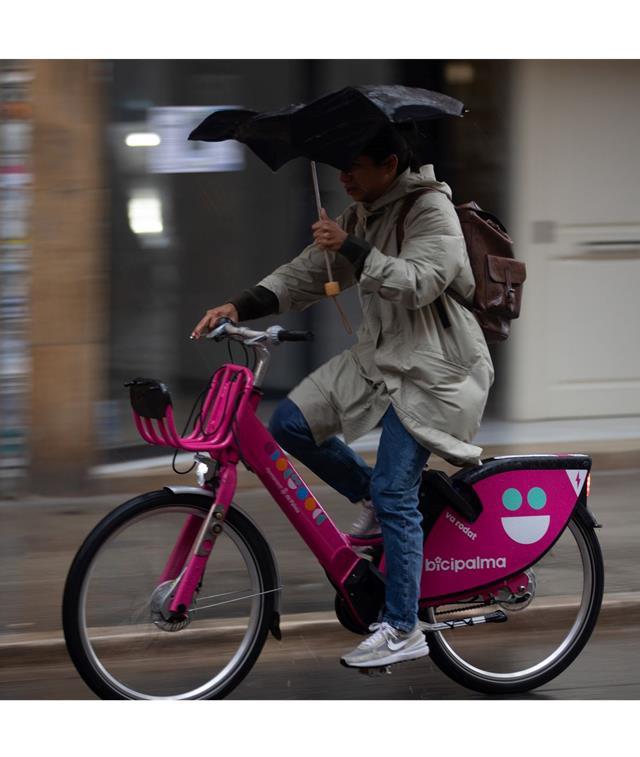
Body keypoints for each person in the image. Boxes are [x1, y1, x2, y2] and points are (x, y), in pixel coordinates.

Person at [192, 126, 493, 669]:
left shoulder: (431, 212)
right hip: (380, 359)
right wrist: (237, 306)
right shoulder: (362, 215)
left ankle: (404, 627)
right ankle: (379, 503)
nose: (344, 177)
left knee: (395, 487)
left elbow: (419, 281)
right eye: (341, 168)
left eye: (355, 166)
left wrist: (352, 246)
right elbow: (306, 275)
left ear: (391, 163)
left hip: (437, 370)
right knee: (289, 425)